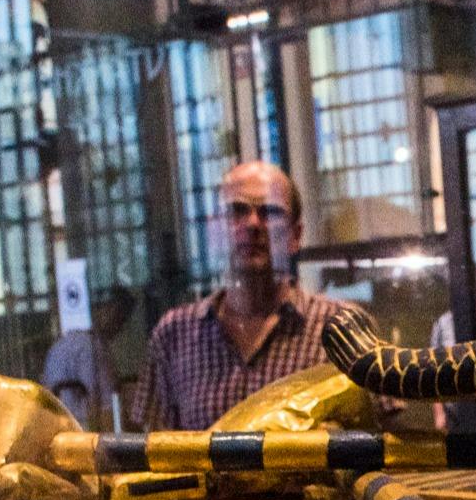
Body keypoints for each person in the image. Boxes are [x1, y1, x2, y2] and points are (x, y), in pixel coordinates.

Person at [130, 160, 352, 431]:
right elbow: (154, 451)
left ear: (296, 235)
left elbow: (384, 444)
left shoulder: (341, 329)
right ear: (214, 230)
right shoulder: (174, 335)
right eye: (236, 211)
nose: (252, 224)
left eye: (270, 211)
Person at [38, 286, 133, 430]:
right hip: (84, 436)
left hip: (57, 433)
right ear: (108, 310)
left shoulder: (60, 346)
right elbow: (106, 410)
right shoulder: (94, 348)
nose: (120, 327)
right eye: (120, 319)